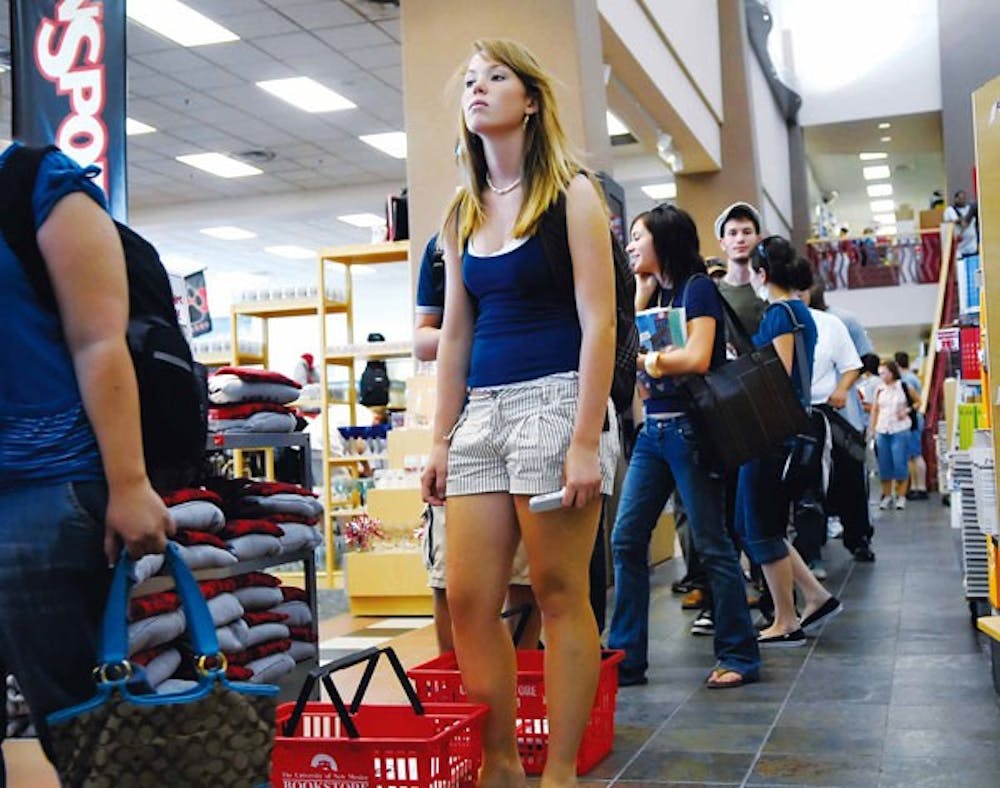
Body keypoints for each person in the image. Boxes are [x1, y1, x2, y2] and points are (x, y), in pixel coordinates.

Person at [421, 39, 619, 787]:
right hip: (480, 414)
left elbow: (599, 321)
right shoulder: (461, 212)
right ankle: (500, 764)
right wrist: (441, 437)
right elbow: (456, 334)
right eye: (470, 79)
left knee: (559, 592)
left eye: (495, 77)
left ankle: (561, 770)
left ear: (529, 100)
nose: (478, 88)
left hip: (555, 398)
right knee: (470, 599)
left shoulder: (572, 193)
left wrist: (584, 440)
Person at [0, 144, 174, 779]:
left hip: (45, 491)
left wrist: (129, 482)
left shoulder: (35, 183)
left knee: (88, 725)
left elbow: (100, 340)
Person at [608, 204, 760, 688]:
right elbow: (625, 344)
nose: (631, 245)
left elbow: (696, 357)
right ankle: (627, 656)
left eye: (638, 236)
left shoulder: (697, 289)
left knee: (712, 544)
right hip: (655, 433)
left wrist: (651, 364)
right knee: (626, 539)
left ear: (664, 240)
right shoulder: (662, 290)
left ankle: (739, 654)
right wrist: (641, 291)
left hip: (690, 431)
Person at [413, 233, 541, 654]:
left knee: (526, 576)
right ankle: (457, 693)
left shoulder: (538, 228)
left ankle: (521, 690)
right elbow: (424, 339)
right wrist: (472, 322)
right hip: (464, 423)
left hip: (533, 419)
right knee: (452, 581)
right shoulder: (445, 243)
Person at [736, 236, 841, 647]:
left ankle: (786, 617)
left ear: (762, 274)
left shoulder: (780, 314)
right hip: (785, 431)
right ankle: (813, 595)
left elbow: (775, 377)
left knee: (759, 526)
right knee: (758, 525)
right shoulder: (800, 312)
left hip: (770, 432)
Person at [797, 283, 862, 578]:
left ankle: (813, 554)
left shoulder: (830, 323)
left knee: (815, 485)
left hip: (819, 414)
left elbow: (853, 364)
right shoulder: (768, 319)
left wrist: (841, 390)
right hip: (779, 414)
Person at [869, 360, 918, 510]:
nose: (882, 376)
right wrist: (872, 429)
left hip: (900, 429)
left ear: (892, 372)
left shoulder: (903, 387)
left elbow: (918, 402)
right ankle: (887, 495)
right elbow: (875, 410)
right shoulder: (879, 389)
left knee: (900, 463)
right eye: (880, 373)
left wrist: (907, 411)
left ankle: (901, 495)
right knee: (884, 464)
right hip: (882, 429)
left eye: (884, 372)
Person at [715, 201, 767, 336]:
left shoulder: (772, 287)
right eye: (732, 233)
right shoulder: (714, 293)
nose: (740, 239)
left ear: (758, 239)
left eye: (747, 232)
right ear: (722, 243)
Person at [894, 351, 928, 500]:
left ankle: (920, 486)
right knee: (912, 455)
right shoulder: (913, 378)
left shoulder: (905, 380)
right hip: (914, 418)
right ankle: (916, 486)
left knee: (915, 454)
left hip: (912, 420)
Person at [942, 189, 978, 258]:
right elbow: (959, 222)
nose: (962, 200)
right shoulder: (950, 210)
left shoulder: (969, 209)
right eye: (960, 198)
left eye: (964, 198)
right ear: (955, 199)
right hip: (960, 249)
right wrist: (969, 215)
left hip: (972, 247)